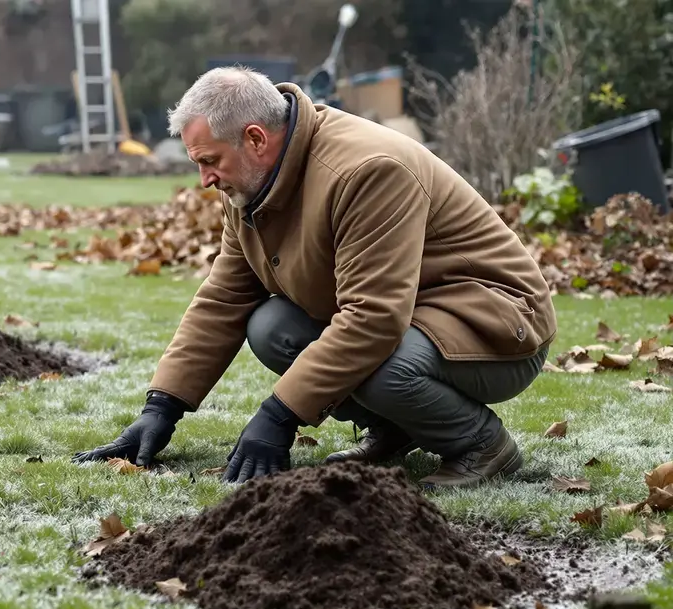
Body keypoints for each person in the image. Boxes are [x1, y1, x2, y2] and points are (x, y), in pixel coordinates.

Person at [72, 66, 557, 488]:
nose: (205, 181)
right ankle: (396, 430)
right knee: (271, 327)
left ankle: (484, 445)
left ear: (256, 138)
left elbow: (373, 320)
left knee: (385, 368)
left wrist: (278, 416)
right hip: (418, 317)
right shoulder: (250, 182)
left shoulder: (367, 169)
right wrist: (162, 408)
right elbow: (224, 297)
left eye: (209, 161)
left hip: (495, 324)